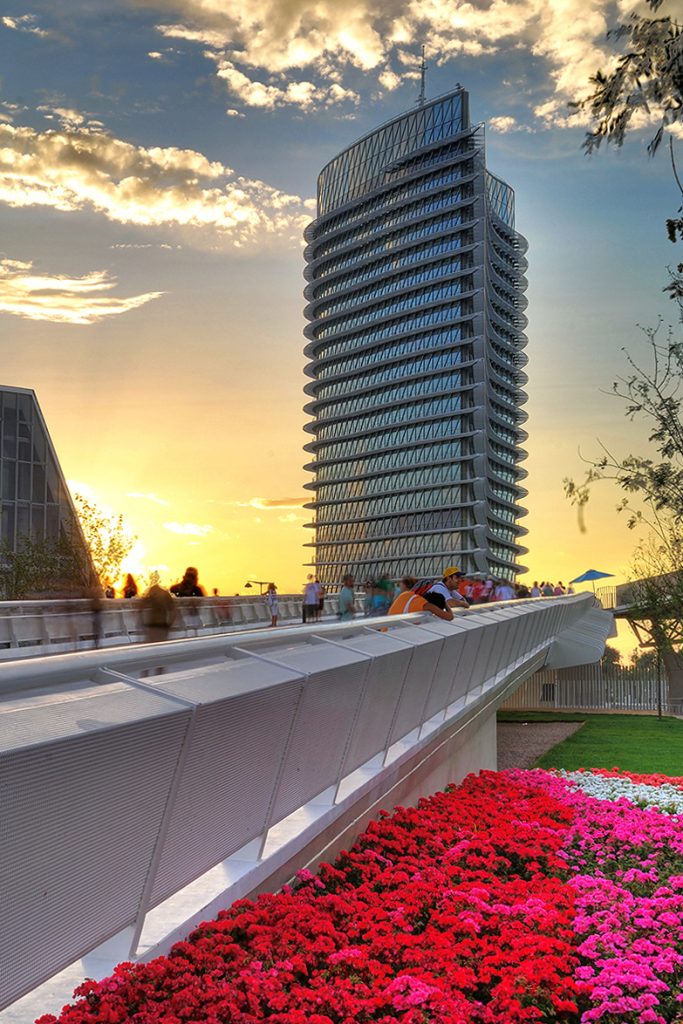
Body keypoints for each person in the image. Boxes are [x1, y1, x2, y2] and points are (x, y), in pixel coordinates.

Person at [389, 577, 454, 620]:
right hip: (395, 632)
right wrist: (444, 602)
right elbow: (450, 617)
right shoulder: (424, 604)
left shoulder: (404, 594)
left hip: (386, 630)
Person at [141, 579, 176, 644]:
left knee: (152, 644)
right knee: (161, 644)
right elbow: (173, 610)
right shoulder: (165, 594)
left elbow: (141, 606)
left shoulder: (152, 594)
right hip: (162, 624)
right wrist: (170, 624)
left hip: (154, 624)